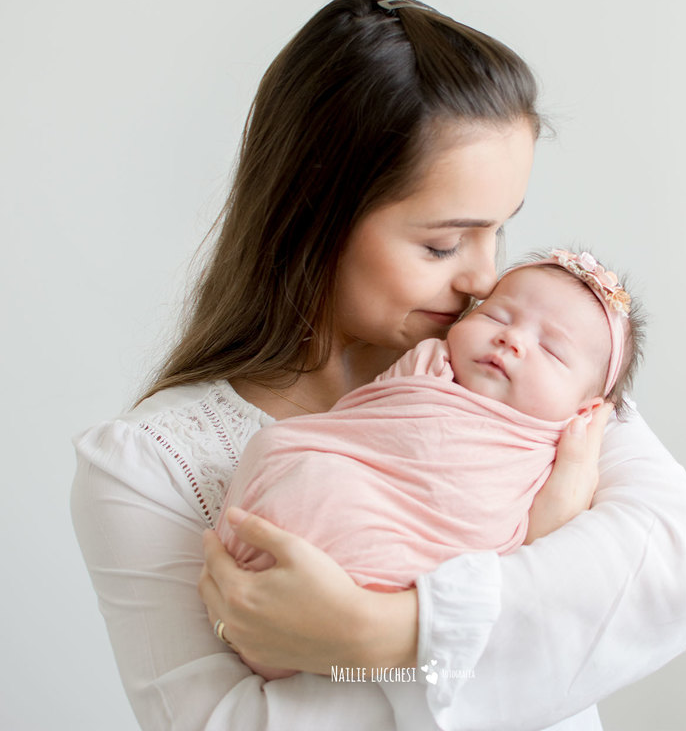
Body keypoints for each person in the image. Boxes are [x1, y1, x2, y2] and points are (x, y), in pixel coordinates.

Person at [70, 0, 686, 731]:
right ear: (313, 220)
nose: (484, 282)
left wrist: (383, 632)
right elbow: (228, 723)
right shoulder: (152, 466)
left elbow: (684, 570)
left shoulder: (528, 378)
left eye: (498, 233)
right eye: (444, 244)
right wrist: (530, 630)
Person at [218, 250, 644, 680]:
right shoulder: (429, 363)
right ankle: (288, 595)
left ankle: (325, 611)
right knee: (283, 452)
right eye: (496, 317)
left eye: (551, 350)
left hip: (419, 571)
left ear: (586, 410)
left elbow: (546, 556)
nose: (512, 340)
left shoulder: (562, 449)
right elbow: (359, 430)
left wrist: (570, 476)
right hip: (345, 493)